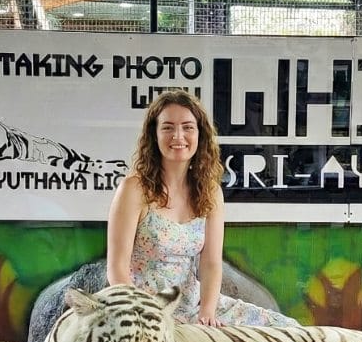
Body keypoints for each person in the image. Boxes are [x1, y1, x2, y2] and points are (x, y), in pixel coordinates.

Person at [106, 89, 298, 327]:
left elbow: (211, 263)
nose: (178, 136)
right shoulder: (134, 189)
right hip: (142, 309)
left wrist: (207, 313)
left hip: (193, 303)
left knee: (286, 328)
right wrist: (142, 314)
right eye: (167, 127)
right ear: (154, 135)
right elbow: (116, 269)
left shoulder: (210, 192)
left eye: (187, 127)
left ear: (200, 134)